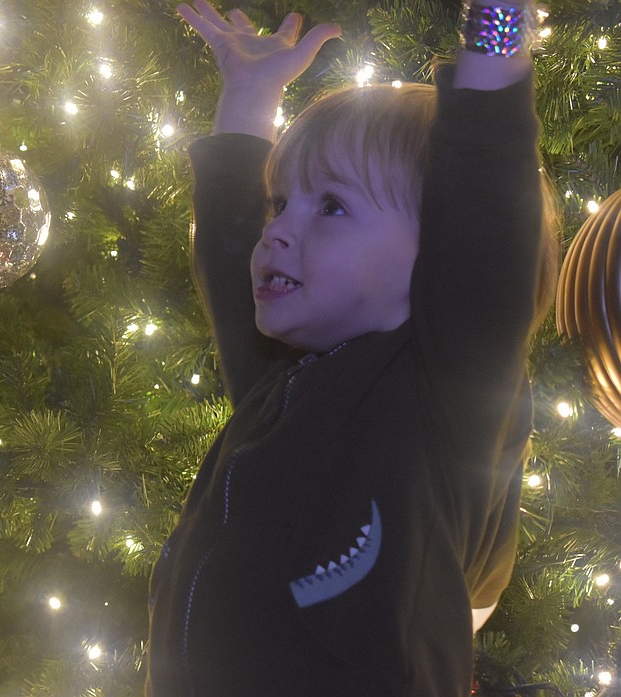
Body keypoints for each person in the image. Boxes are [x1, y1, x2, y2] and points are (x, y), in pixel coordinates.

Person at [146, 1, 558, 695]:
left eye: (331, 206)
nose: (276, 231)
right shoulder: (278, 383)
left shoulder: (439, 390)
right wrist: (249, 95)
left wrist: (498, 20)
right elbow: (228, 251)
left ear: (439, 254)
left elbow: (487, 188)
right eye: (281, 202)